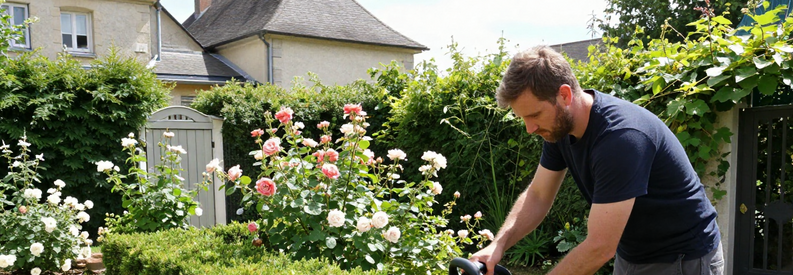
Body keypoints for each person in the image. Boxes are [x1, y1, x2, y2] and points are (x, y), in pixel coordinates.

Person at [469, 45, 723, 275]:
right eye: (523, 118)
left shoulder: (620, 138)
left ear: (564, 96)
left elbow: (600, 247)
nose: (529, 128)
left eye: (534, 115)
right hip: (632, 254)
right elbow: (538, 195)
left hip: (684, 259)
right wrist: (498, 245)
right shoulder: (559, 130)